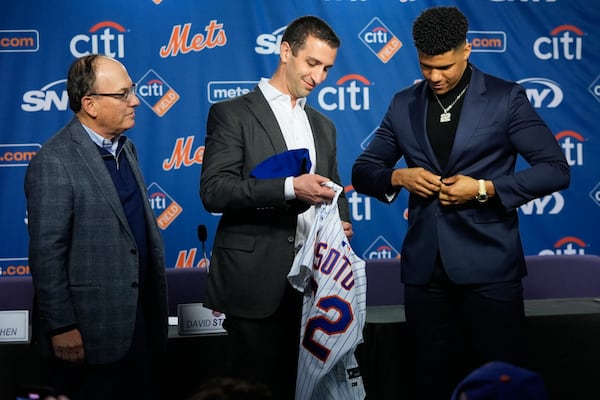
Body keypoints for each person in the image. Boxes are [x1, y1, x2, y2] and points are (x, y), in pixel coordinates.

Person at [351, 6, 569, 399]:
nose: (434, 76)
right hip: (424, 276)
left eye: (444, 67)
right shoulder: (404, 104)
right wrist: (399, 176)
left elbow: (555, 168)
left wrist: (483, 188)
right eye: (425, 66)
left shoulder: (506, 99)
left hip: (490, 270)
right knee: (429, 382)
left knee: (501, 382)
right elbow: (364, 169)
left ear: (467, 50)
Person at [200, 15, 352, 399]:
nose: (319, 77)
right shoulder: (232, 114)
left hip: (315, 290)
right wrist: (289, 187)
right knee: (253, 391)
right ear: (286, 52)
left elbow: (334, 188)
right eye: (312, 64)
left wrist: (342, 223)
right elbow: (215, 191)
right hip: (255, 283)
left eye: (327, 69)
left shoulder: (324, 126)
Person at [24, 54, 168, 400]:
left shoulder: (127, 149)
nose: (134, 100)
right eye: (122, 94)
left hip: (137, 325)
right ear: (89, 104)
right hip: (88, 334)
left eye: (131, 91)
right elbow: (47, 254)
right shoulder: (55, 161)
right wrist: (62, 326)